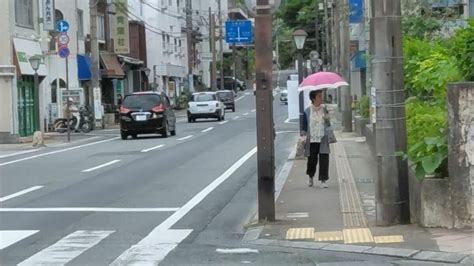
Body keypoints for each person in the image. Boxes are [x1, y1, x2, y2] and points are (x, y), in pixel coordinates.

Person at [300, 90, 331, 188]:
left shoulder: (324, 109)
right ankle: (311, 176)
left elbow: (328, 124)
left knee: (324, 160)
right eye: (319, 96)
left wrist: (327, 119)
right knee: (312, 160)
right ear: (313, 98)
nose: (321, 98)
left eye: (321, 96)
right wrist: (303, 136)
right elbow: (304, 126)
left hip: (323, 138)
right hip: (312, 139)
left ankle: (323, 180)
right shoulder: (307, 111)